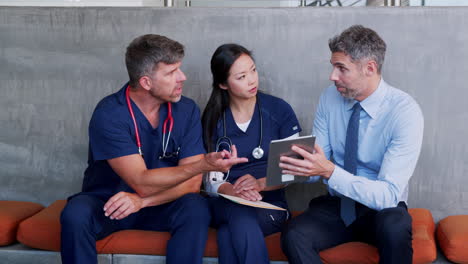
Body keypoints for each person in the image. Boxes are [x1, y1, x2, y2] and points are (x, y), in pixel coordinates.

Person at [60, 34, 247, 264]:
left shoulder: (186, 110)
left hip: (162, 203)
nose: (182, 77)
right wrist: (203, 165)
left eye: (179, 69)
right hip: (111, 202)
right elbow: (141, 181)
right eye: (171, 73)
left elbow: (191, 184)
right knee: (75, 214)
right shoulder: (109, 114)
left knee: (196, 207)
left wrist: (142, 202)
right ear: (146, 82)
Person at [280, 25, 424, 264]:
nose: (332, 76)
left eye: (341, 68)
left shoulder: (404, 112)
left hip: (381, 209)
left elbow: (388, 195)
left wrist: (328, 171)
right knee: (294, 235)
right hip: (338, 205)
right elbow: (320, 161)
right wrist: (294, 167)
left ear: (370, 68)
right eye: (333, 67)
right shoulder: (329, 97)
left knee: (395, 227)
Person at [201, 43, 302, 264]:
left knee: (230, 234)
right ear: (223, 84)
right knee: (237, 214)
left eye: (253, 71)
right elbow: (207, 177)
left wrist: (259, 184)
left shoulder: (278, 110)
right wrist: (231, 190)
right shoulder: (213, 118)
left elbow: (295, 169)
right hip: (224, 203)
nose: (252, 80)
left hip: (269, 204)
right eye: (241, 76)